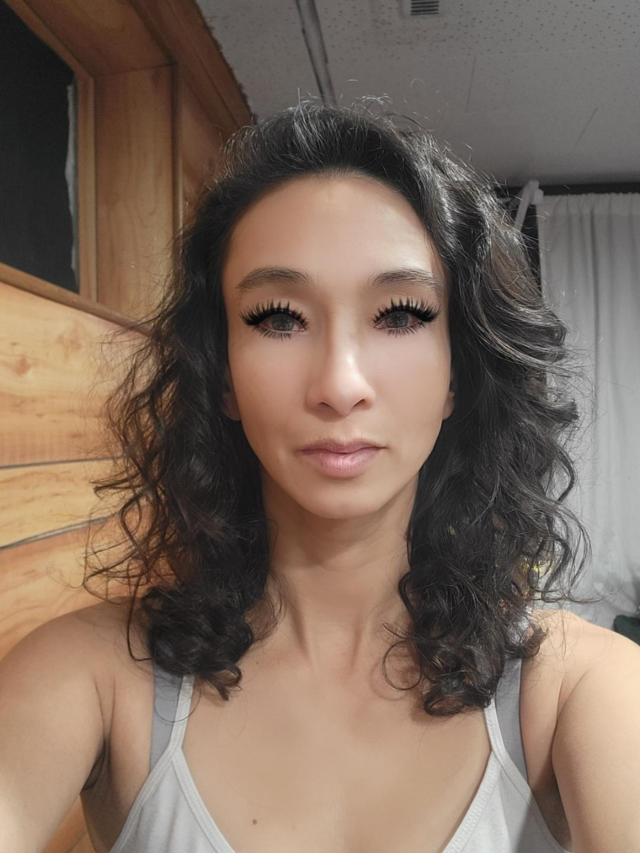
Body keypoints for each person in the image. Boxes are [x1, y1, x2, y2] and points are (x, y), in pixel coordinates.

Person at [1, 97, 637, 853]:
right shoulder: (90, 675)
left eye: (400, 314)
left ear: (458, 375)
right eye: (278, 317)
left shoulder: (579, 686)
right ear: (223, 375)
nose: (339, 384)